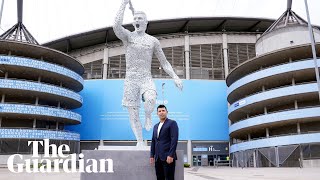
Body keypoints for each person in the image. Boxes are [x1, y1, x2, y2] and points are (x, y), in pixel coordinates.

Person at [113, 0, 183, 146]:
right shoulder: (128, 37)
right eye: (135, 19)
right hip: (131, 79)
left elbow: (164, 62)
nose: (137, 20)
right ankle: (139, 141)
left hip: (145, 77)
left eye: (140, 18)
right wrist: (123, 4)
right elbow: (116, 26)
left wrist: (175, 77)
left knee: (150, 99)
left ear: (146, 23)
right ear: (133, 23)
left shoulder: (153, 41)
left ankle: (148, 115)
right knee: (133, 113)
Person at [150, 105, 179, 180]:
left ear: (167, 112)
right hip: (158, 158)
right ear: (157, 113)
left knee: (169, 178)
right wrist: (152, 155)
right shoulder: (155, 126)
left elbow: (174, 140)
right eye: (159, 111)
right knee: (159, 177)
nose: (161, 112)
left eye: (163, 110)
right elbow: (153, 141)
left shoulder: (172, 123)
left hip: (168, 157)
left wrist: (171, 155)